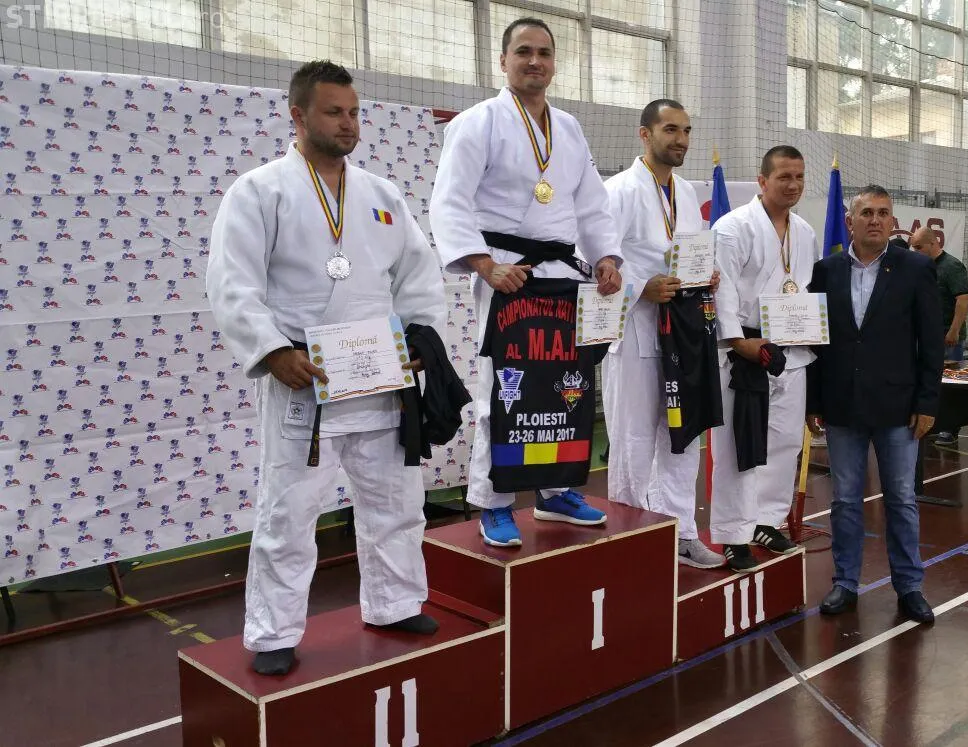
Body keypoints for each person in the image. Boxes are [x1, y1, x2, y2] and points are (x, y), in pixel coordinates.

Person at [207, 60, 446, 676]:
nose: (348, 123)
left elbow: (417, 273)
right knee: (288, 514)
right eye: (334, 112)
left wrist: (422, 335)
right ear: (298, 115)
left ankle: (395, 603)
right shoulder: (259, 191)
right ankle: (272, 632)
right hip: (305, 382)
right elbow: (232, 284)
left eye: (354, 112)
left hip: (380, 379)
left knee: (396, 502)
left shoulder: (382, 195)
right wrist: (272, 350)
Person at [430, 17, 623, 545]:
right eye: (523, 51)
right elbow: (450, 201)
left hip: (561, 276)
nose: (535, 61)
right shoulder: (477, 123)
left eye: (544, 52)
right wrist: (484, 265)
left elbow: (592, 203)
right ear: (503, 60)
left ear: (554, 63)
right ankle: (492, 501)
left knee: (562, 387)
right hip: (507, 275)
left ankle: (554, 491)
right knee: (504, 389)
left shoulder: (569, 127)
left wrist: (606, 258)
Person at [805, 185, 941, 624]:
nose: (876, 220)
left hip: (899, 407)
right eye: (867, 213)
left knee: (901, 498)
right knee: (845, 500)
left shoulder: (916, 268)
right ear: (850, 222)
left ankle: (910, 586)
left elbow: (931, 342)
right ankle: (845, 582)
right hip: (842, 405)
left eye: (883, 213)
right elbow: (816, 342)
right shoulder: (825, 271)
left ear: (892, 221)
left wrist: (927, 401)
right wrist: (813, 400)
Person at [601, 99, 725, 569]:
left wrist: (705, 274)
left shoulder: (686, 193)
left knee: (683, 436)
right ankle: (629, 539)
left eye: (686, 131)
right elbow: (591, 263)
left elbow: (688, 252)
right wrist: (639, 288)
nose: (681, 140)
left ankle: (683, 533)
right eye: (671, 129)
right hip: (634, 333)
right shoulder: (617, 191)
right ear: (645, 134)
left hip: (683, 333)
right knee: (632, 441)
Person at [709, 145, 816, 571]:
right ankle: (733, 532)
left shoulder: (805, 231)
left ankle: (767, 520)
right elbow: (721, 290)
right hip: (746, 350)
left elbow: (804, 289)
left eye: (799, 177)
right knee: (738, 445)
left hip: (791, 346)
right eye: (783, 177)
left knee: (785, 440)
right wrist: (738, 342)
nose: (792, 185)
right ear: (762, 180)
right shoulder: (733, 227)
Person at [908, 226, 968, 446]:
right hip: (927, 336)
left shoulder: (952, 266)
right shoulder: (921, 268)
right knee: (929, 380)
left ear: (933, 243)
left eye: (918, 247)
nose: (915, 251)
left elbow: (963, 299)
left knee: (950, 384)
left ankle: (950, 429)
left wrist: (954, 330)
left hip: (947, 336)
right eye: (913, 248)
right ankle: (932, 423)